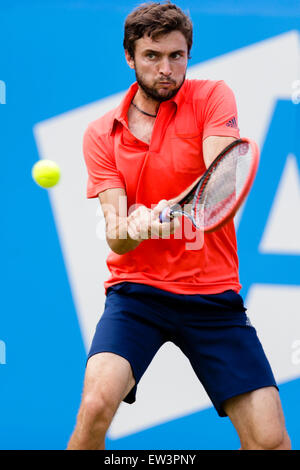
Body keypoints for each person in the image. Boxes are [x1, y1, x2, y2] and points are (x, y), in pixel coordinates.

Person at [67, 1, 291, 450]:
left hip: (212, 295)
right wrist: (137, 226)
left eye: (177, 56)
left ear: (188, 55)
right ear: (130, 57)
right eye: (152, 56)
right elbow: (116, 235)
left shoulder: (213, 96)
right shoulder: (99, 134)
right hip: (138, 293)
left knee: (270, 441)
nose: (166, 68)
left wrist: (174, 210)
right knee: (94, 408)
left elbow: (219, 185)